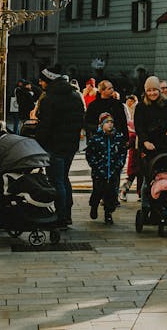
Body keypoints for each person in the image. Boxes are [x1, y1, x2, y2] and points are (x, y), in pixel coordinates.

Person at [34, 67, 86, 229]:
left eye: (42, 80)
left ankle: (61, 217)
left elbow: (45, 126)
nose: (40, 83)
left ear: (49, 80)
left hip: (54, 145)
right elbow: (80, 120)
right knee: (63, 178)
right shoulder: (75, 95)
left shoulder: (50, 98)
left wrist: (38, 142)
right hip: (70, 145)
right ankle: (67, 215)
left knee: (57, 181)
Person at [85, 112, 128, 225]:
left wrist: (119, 164)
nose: (110, 125)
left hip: (113, 171)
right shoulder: (96, 138)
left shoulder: (118, 137)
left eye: (111, 122)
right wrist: (95, 165)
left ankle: (108, 213)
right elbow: (89, 154)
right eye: (107, 122)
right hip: (99, 172)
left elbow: (123, 152)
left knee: (111, 193)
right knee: (97, 191)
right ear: (101, 124)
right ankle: (94, 206)